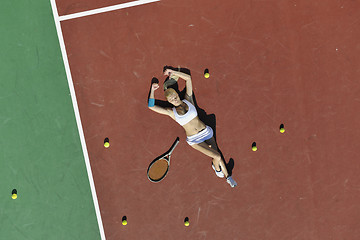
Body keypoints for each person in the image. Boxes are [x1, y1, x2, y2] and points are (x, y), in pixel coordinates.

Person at [148, 68, 237, 188]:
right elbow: (151, 106)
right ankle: (228, 177)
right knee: (217, 156)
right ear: (168, 101)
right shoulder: (171, 112)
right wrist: (152, 90)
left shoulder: (188, 99)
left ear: (177, 94)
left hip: (207, 132)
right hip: (195, 140)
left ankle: (217, 168)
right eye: (170, 100)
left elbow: (188, 78)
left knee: (216, 154)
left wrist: (172, 71)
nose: (174, 100)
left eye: (174, 97)